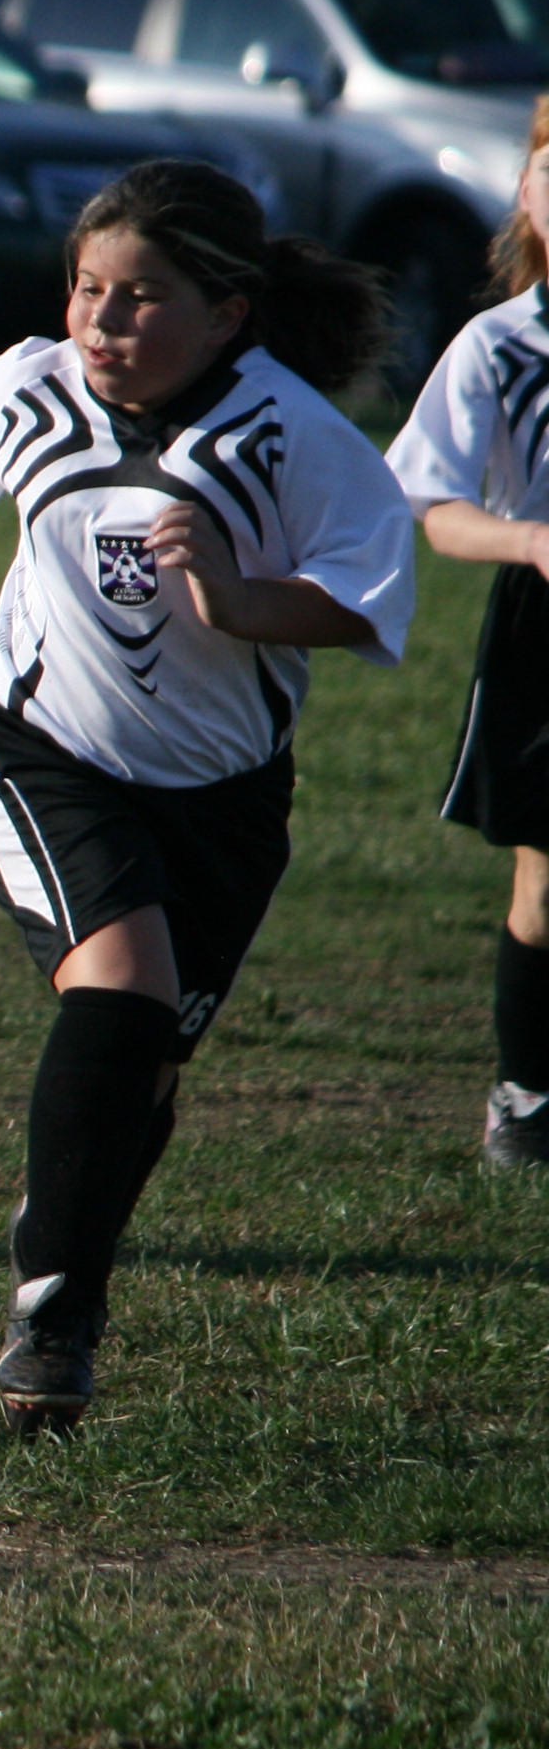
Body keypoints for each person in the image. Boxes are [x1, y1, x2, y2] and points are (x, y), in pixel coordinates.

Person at [0, 161, 411, 1434]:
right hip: (46, 750)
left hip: (226, 799)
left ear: (228, 314)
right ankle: (53, 1312)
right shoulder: (30, 389)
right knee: (121, 993)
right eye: (88, 288)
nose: (102, 321)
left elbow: (365, 600)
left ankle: (67, 1238)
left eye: (143, 298)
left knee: (145, 1067)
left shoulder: (293, 437)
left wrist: (239, 597)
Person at [384, 96, 549, 1166]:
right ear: (526, 193)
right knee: (547, 876)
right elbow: (433, 505)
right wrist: (529, 540)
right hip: (543, 621)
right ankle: (529, 1092)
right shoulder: (500, 344)